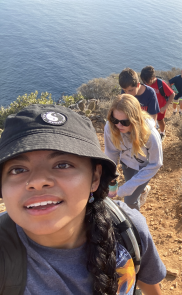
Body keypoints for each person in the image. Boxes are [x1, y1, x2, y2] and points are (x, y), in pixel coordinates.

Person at [0, 104, 166, 294]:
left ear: (94, 178)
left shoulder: (129, 228)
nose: (37, 182)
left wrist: (127, 188)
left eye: (62, 165)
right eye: (18, 170)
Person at [104, 94, 162, 211]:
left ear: (135, 120)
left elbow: (156, 164)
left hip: (144, 167)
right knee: (132, 186)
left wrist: (128, 188)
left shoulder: (150, 134)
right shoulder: (110, 127)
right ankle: (143, 189)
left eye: (125, 122)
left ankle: (135, 226)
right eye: (115, 120)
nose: (119, 125)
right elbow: (111, 152)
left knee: (130, 201)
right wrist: (109, 175)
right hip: (127, 163)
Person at [140, 65, 175, 142]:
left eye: (147, 81)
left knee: (160, 121)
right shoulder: (145, 84)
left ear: (153, 78)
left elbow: (172, 94)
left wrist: (165, 107)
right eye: (143, 81)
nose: (145, 83)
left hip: (160, 108)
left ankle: (162, 133)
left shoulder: (161, 84)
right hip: (149, 108)